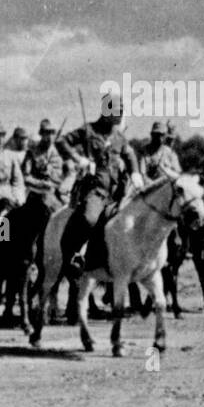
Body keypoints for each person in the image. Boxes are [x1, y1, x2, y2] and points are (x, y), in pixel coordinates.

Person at [57, 92, 139, 274]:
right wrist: (79, 159)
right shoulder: (88, 131)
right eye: (118, 112)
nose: (121, 116)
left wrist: (135, 172)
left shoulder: (119, 136)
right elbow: (61, 141)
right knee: (90, 218)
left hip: (118, 191)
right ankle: (76, 254)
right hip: (96, 190)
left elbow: (130, 154)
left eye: (122, 112)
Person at [22, 119, 66, 208]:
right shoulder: (32, 152)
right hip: (34, 191)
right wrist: (39, 183)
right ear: (41, 134)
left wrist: (47, 168)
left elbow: (59, 177)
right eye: (47, 133)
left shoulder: (58, 153)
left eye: (52, 133)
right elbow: (25, 176)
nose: (50, 136)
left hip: (53, 192)